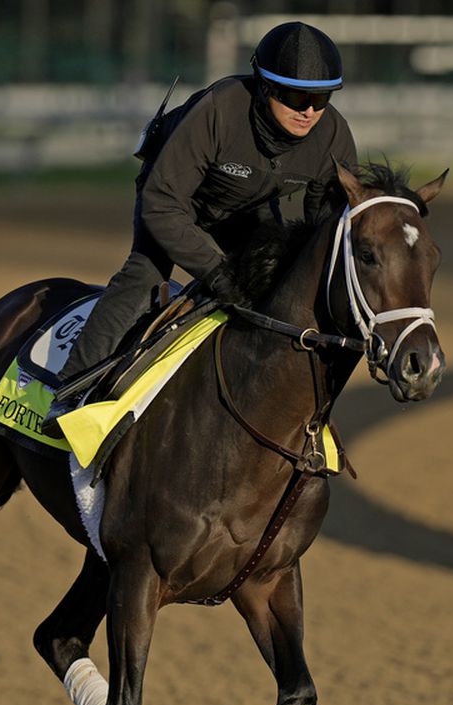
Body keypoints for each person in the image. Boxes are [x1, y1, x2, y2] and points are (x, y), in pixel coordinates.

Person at [46, 21, 358, 430]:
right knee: (143, 276)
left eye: (321, 97)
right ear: (265, 87)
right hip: (173, 199)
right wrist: (216, 271)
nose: (310, 111)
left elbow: (327, 227)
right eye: (297, 95)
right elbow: (161, 203)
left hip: (245, 208)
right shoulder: (217, 109)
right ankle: (68, 394)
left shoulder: (332, 134)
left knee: (279, 285)